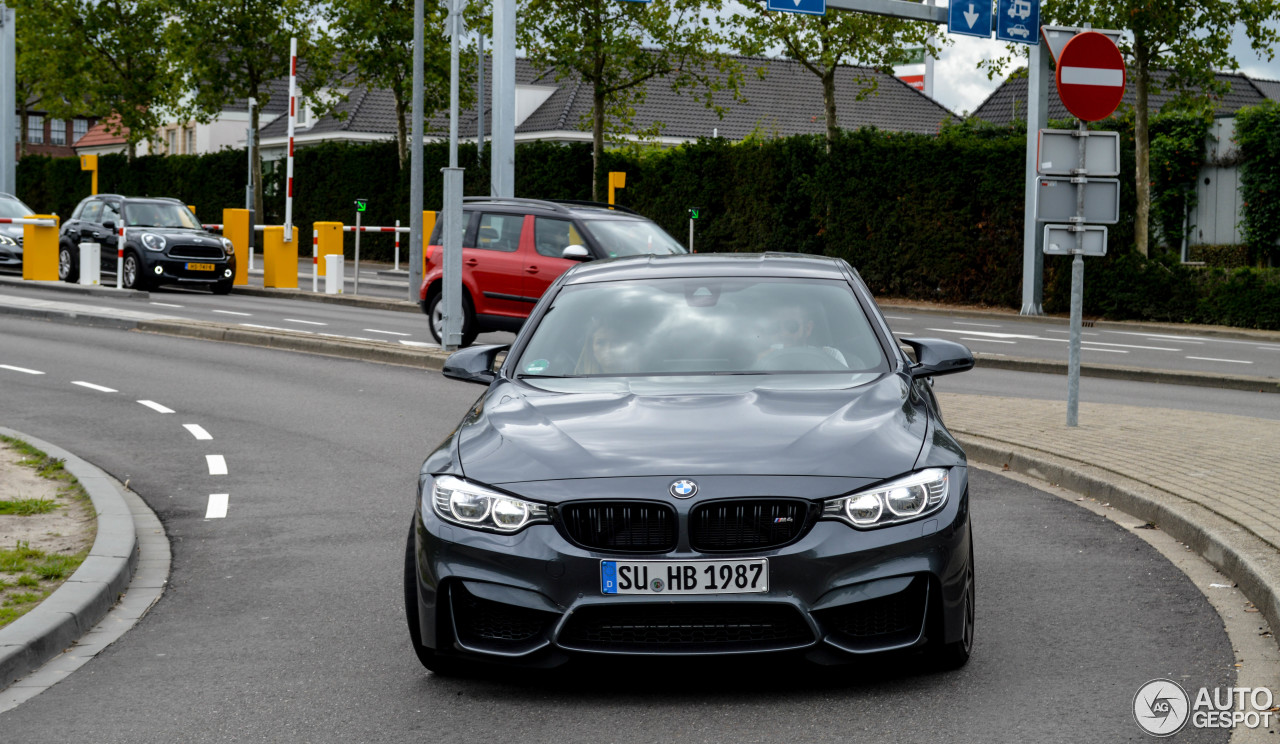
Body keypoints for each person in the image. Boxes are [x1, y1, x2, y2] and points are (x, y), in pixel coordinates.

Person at [757, 303, 848, 368]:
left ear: (808, 328)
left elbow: (847, 384)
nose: (783, 333)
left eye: (791, 326)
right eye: (776, 327)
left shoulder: (831, 356)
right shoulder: (767, 355)